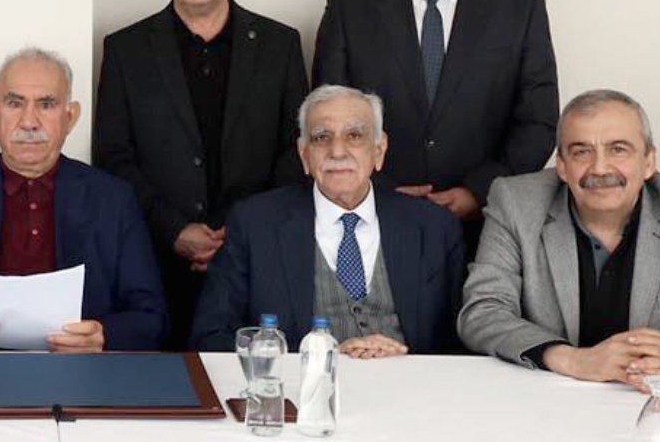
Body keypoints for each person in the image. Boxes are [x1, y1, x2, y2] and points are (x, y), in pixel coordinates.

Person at [459, 89, 660, 385]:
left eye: (618, 149)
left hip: (655, 404)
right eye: (581, 152)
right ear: (561, 166)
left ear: (649, 162)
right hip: (549, 400)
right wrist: (573, 360)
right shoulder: (516, 203)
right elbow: (483, 312)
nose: (600, 168)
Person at [312, 0, 557, 249]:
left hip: (488, 228)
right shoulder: (349, 7)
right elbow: (326, 118)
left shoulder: (520, 7)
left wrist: (478, 192)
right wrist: (379, 189)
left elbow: (538, 122)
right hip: (373, 221)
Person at [95, 0, 307, 347]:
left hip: (255, 256)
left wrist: (239, 229)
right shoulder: (126, 50)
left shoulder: (280, 45)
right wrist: (174, 230)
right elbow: (114, 157)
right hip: (155, 260)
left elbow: (296, 150)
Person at [0, 48, 167, 351]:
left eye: (47, 104)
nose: (29, 122)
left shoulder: (114, 200)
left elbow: (152, 318)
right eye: (15, 103)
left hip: (82, 370)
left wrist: (104, 335)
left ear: (71, 117)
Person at [191, 85, 464, 355]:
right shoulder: (255, 223)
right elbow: (211, 335)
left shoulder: (435, 227)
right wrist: (318, 359)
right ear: (304, 154)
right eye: (322, 137)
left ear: (379, 150)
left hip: (409, 381)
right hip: (303, 383)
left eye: (354, 135)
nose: (337, 152)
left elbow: (461, 345)